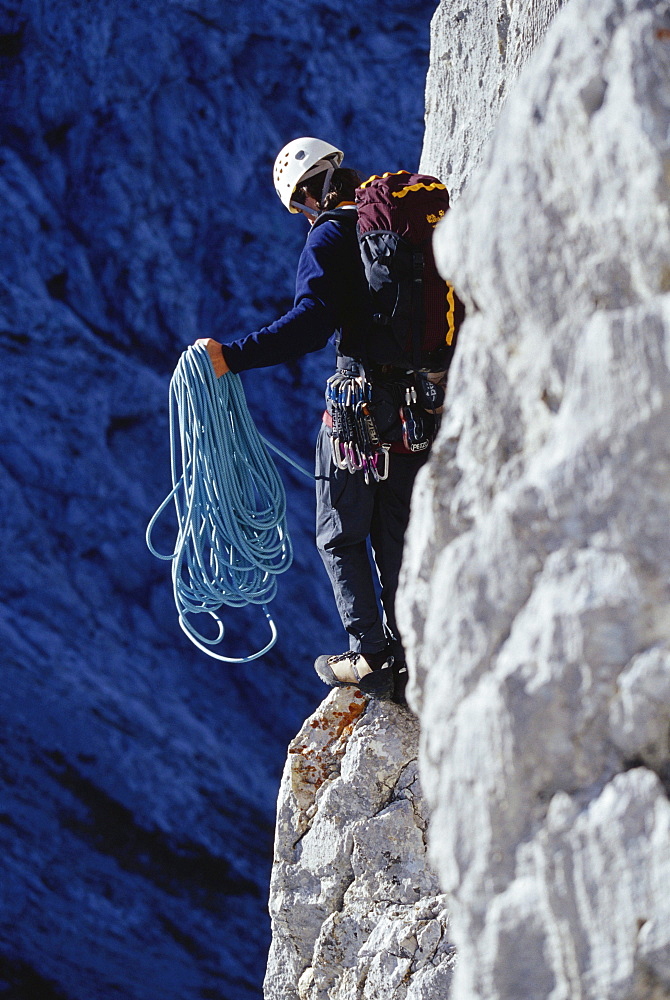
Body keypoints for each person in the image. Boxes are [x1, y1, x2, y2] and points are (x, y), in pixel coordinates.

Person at [198, 137, 443, 699]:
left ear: (308, 193)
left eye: (300, 206)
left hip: (359, 410)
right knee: (395, 530)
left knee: (339, 532)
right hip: (417, 407)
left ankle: (372, 656)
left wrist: (230, 357)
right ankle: (412, 647)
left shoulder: (330, 233)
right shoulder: (390, 228)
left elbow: (311, 323)